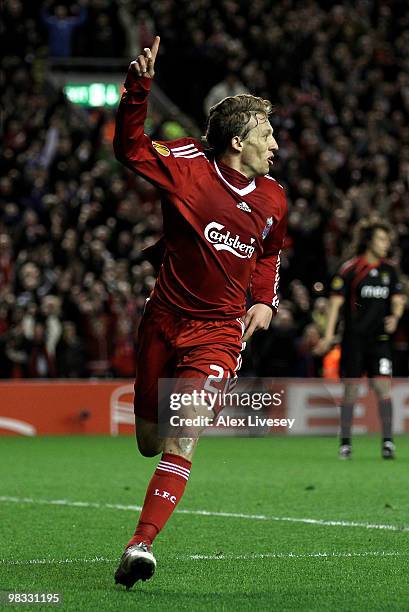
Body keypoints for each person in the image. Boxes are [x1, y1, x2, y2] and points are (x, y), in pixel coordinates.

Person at [113, 36, 287, 588]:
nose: (275, 145)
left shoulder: (273, 198)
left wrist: (263, 299)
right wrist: (139, 89)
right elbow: (131, 148)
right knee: (149, 439)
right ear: (238, 141)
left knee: (182, 434)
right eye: (267, 135)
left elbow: (269, 253)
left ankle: (140, 545)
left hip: (218, 333)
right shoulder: (187, 166)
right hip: (163, 319)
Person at [317, 219, 405, 460]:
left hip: (380, 340)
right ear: (369, 241)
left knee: (382, 387)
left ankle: (388, 442)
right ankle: (345, 444)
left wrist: (395, 317)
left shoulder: (390, 269)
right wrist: (327, 335)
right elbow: (335, 303)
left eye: (387, 240)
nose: (386, 244)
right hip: (354, 340)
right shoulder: (351, 269)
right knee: (351, 391)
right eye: (381, 239)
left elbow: (398, 298)